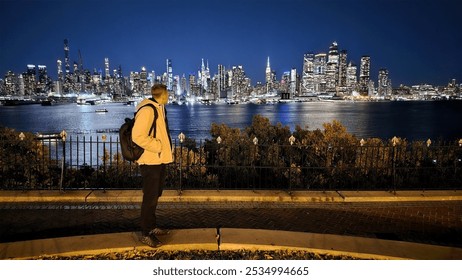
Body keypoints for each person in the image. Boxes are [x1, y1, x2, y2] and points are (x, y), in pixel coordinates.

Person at [132, 84, 173, 247]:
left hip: (158, 159)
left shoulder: (159, 107)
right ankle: (145, 233)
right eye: (168, 93)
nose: (169, 96)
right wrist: (157, 146)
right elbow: (137, 136)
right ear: (162, 95)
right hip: (150, 160)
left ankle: (152, 226)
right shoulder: (148, 110)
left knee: (155, 195)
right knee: (149, 197)